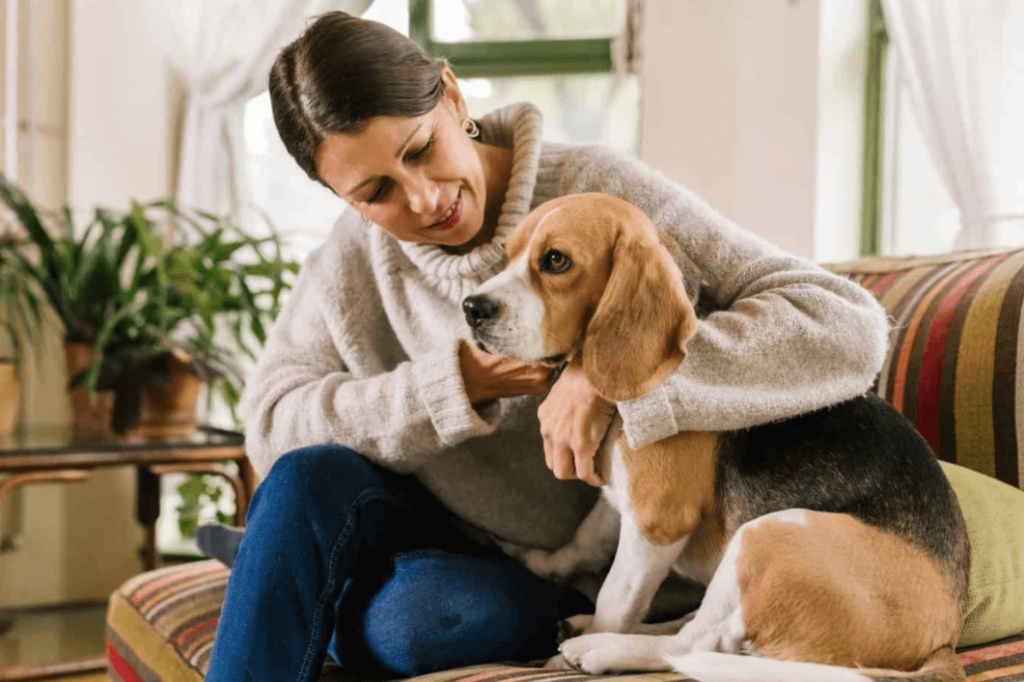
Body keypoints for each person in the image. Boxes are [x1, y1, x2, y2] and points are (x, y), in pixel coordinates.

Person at [200, 10, 890, 682]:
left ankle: (281, 565)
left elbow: (846, 325)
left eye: (421, 149)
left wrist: (609, 372)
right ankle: (286, 560)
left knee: (413, 623)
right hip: (424, 519)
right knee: (300, 481)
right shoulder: (354, 258)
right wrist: (456, 387)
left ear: (452, 95)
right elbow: (269, 424)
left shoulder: (597, 195)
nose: (424, 198)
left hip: (559, 565)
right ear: (340, 196)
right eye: (376, 191)